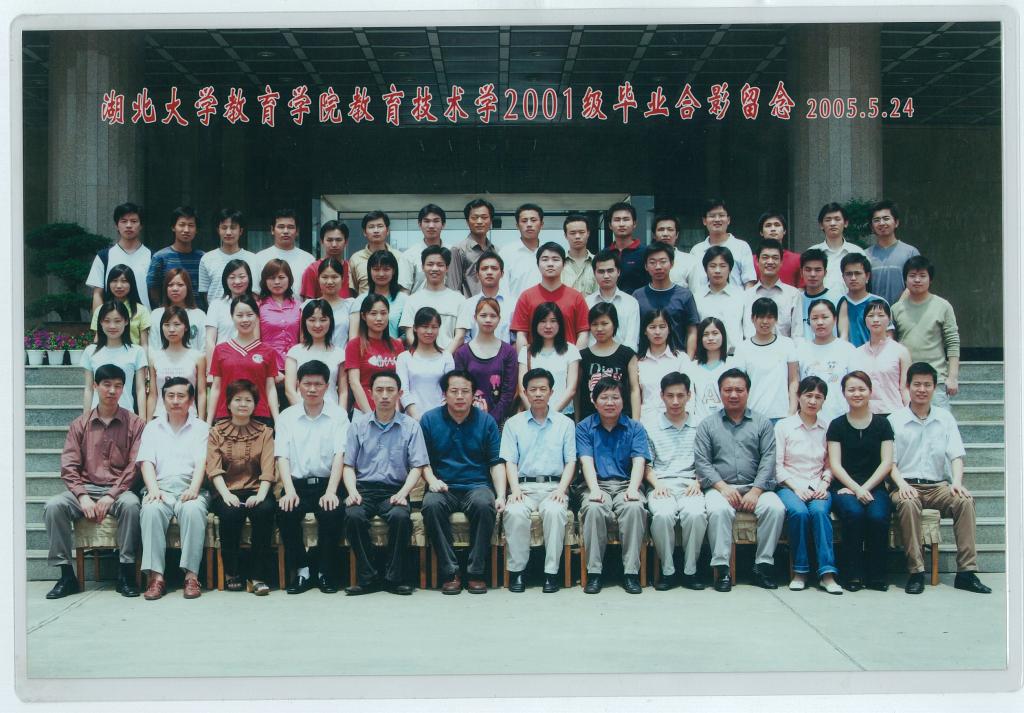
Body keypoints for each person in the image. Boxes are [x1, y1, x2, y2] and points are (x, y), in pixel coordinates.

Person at [888, 362, 991, 595]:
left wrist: (957, 483)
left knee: (964, 501)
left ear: (934, 387)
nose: (921, 389)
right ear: (908, 386)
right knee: (908, 503)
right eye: (917, 384)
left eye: (927, 385)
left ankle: (966, 572)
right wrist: (901, 485)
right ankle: (916, 572)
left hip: (937, 486)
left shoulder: (945, 418)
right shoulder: (894, 420)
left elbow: (956, 455)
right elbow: (889, 463)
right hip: (906, 484)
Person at [43, 364, 145, 599]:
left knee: (132, 505)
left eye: (118, 386)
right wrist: (82, 496)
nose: (112, 390)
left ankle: (126, 573)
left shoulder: (135, 424)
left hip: (120, 490)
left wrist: (111, 495)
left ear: (123, 389)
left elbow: (135, 466)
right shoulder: (80, 424)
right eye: (107, 385)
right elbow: (69, 466)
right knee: (53, 506)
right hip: (86, 488)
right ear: (95, 386)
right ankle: (66, 575)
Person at [695, 368, 783, 591]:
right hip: (720, 487)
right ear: (720, 392)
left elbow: (768, 460)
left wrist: (756, 491)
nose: (733, 395)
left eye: (739, 390)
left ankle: (762, 567)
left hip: (756, 487)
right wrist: (723, 488)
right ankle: (722, 570)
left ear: (748, 392)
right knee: (718, 510)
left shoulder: (763, 423)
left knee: (775, 508)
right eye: (728, 390)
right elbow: (703, 463)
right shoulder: (707, 425)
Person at [342, 371, 430, 595]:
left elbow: (417, 466)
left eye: (390, 390)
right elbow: (348, 465)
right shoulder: (358, 426)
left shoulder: (411, 426)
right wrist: (351, 491)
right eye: (379, 390)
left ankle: (394, 578)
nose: (384, 395)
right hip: (364, 489)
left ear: (399, 393)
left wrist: (403, 493)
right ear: (370, 393)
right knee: (353, 516)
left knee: (400, 517)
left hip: (395, 490)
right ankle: (368, 578)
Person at [420, 369, 506, 594]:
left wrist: (500, 495)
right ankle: (450, 572)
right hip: (443, 486)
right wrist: (432, 481)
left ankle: (476, 572)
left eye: (465, 391)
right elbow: (421, 461)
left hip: (476, 485)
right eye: (454, 391)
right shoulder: (429, 420)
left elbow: (496, 462)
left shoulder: (486, 422)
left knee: (485, 504)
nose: (460, 396)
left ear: (473, 394)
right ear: (444, 394)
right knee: (431, 505)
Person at [275, 360, 350, 594]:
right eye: (307, 384)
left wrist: (331, 491)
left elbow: (340, 455)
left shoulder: (338, 416)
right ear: (298, 384)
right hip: (296, 484)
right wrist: (289, 491)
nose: (312, 389)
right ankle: (303, 571)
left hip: (327, 483)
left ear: (327, 386)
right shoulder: (287, 416)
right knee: (286, 511)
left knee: (332, 511)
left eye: (318, 384)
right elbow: (282, 457)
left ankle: (325, 572)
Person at [501, 368, 577, 593]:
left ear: (551, 392)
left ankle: (551, 573)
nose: (538, 394)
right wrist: (514, 489)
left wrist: (561, 490)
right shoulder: (513, 424)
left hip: (554, 486)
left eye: (543, 389)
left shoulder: (565, 424)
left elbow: (571, 461)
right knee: (514, 512)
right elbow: (510, 461)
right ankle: (517, 572)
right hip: (523, 487)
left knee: (554, 512)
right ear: (525, 392)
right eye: (532, 389)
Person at [137, 377, 211, 600]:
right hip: (160, 487)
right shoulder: (152, 428)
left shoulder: (201, 428)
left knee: (193, 510)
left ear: (191, 400)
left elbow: (202, 462)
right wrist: (153, 489)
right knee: (151, 510)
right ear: (163, 399)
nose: (175, 400)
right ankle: (156, 577)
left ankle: (191, 576)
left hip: (191, 487)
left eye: (181, 396)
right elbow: (146, 462)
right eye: (170, 396)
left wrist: (194, 489)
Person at [575, 377, 651, 594]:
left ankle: (631, 573)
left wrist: (633, 489)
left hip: (626, 483)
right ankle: (594, 573)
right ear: (594, 400)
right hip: (595, 484)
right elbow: (586, 461)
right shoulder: (584, 427)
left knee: (634, 508)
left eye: (615, 397)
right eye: (604, 397)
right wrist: (595, 490)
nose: (610, 402)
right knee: (593, 508)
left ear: (623, 400)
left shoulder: (635, 428)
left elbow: (639, 461)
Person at [204, 379, 277, 595]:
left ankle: (257, 576)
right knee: (230, 513)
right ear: (228, 404)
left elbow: (268, 469)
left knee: (265, 511)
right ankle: (232, 572)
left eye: (248, 400)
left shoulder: (265, 432)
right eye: (238, 400)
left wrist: (261, 495)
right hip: (226, 490)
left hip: (257, 489)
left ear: (255, 404)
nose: (243, 404)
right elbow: (214, 469)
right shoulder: (216, 432)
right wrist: (226, 494)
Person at [827, 371, 895, 592]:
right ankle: (852, 575)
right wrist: (856, 489)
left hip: (875, 486)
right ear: (844, 393)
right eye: (851, 390)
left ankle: (877, 575)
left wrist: (865, 488)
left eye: (861, 389)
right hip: (844, 487)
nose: (857, 394)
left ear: (870, 391)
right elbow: (835, 464)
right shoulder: (836, 425)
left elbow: (886, 462)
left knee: (877, 516)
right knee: (854, 514)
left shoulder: (883, 424)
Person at [775, 376, 842, 594]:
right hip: (789, 485)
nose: (813, 401)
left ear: (824, 401)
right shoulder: (784, 426)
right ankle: (800, 571)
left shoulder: (828, 427)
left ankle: (827, 574)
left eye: (818, 397)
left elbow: (830, 464)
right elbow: (777, 466)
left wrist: (825, 483)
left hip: (818, 485)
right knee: (799, 513)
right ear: (798, 396)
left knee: (820, 512)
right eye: (808, 395)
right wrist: (796, 488)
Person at [643, 372, 708, 591]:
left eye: (681, 395)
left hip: (691, 484)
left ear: (689, 396)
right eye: (670, 396)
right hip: (661, 484)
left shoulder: (701, 425)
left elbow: (707, 461)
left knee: (696, 514)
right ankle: (668, 571)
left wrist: (699, 482)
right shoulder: (650, 426)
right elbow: (646, 465)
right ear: (662, 396)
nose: (675, 401)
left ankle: (690, 571)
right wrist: (657, 485)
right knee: (662, 515)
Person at [891, 255, 960, 410]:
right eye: (912, 276)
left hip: (935, 380)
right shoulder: (896, 309)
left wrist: (952, 377)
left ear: (930, 279)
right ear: (905, 279)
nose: (917, 280)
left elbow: (953, 342)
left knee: (938, 424)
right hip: (906, 381)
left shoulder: (943, 306)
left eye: (922, 276)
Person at [207, 295, 280, 426]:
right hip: (226, 417)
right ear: (232, 317)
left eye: (250, 315)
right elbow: (216, 387)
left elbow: (270, 388)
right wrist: (208, 422)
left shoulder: (268, 351)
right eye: (239, 315)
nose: (245, 319)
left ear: (257, 317)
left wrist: (277, 420)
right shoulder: (220, 350)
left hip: (259, 417)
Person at [511, 241, 590, 351]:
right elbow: (521, 334)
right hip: (535, 358)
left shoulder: (576, 297)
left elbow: (583, 333)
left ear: (564, 264)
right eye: (545, 259)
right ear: (538, 264)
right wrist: (525, 359)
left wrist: (575, 359)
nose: (550, 264)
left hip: (568, 359)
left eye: (555, 259)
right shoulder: (526, 297)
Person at [731, 298, 798, 424]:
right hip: (752, 416)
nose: (765, 321)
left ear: (776, 319)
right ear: (752, 318)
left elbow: (793, 380)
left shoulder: (787, 344)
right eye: (761, 317)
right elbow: (738, 384)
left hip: (782, 416)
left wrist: (792, 410)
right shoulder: (742, 348)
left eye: (770, 317)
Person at [453, 298, 518, 428]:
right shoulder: (462, 353)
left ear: (499, 319)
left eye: (493, 316)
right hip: (467, 421)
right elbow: (459, 389)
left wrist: (489, 421)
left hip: (498, 424)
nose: (488, 320)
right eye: (483, 315)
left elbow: (508, 393)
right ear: (475, 318)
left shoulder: (509, 352)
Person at [795, 299, 859, 423]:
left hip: (841, 418)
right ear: (808, 321)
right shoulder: (801, 350)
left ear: (835, 319)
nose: (820, 322)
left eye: (825, 317)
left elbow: (855, 386)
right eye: (814, 318)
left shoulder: (848, 349)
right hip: (809, 421)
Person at [633, 242, 701, 356]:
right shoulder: (638, 296)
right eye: (652, 262)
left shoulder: (685, 295)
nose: (658, 267)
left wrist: (688, 360)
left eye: (663, 261)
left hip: (677, 359)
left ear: (672, 264)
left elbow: (692, 331)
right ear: (646, 266)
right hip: (646, 359)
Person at [81, 302, 147, 419]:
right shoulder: (90, 351)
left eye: (117, 321)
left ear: (126, 322)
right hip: (97, 419)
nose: (112, 326)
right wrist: (85, 419)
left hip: (126, 417)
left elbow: (140, 389)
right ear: (100, 322)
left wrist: (142, 420)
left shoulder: (137, 351)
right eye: (107, 321)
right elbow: (89, 389)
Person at [577, 302, 640, 421]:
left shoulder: (627, 354)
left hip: (621, 420)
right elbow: (578, 392)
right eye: (594, 324)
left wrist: (636, 422)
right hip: (590, 421)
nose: (599, 329)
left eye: (604, 323)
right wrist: (577, 420)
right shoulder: (582, 356)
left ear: (614, 324)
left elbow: (634, 389)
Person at [399, 245, 466, 354]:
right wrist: (424, 355)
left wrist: (444, 357)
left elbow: (460, 337)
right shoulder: (412, 300)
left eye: (440, 265)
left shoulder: (459, 299)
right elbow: (409, 334)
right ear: (423, 267)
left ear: (447, 268)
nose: (435, 268)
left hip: (449, 359)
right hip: (419, 358)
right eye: (430, 264)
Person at [517, 302, 581, 416]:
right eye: (543, 321)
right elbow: (522, 390)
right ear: (535, 324)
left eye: (553, 321)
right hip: (532, 416)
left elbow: (571, 389)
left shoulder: (571, 350)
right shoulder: (526, 352)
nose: (548, 326)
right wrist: (536, 414)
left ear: (560, 323)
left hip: (562, 415)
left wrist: (551, 414)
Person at [87, 202, 152, 311]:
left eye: (134, 221)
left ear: (141, 225)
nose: (129, 225)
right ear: (117, 225)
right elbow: (98, 293)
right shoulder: (104, 257)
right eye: (124, 221)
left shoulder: (152, 257)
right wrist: (99, 320)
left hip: (145, 319)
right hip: (112, 319)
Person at [346, 293, 405, 413]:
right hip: (364, 412)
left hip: (393, 412)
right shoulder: (354, 345)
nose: (379, 318)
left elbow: (402, 382)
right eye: (373, 313)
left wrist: (396, 413)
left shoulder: (397, 345)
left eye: (383, 313)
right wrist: (370, 415)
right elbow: (354, 383)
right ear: (363, 316)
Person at [284, 299, 347, 407]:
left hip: (332, 411)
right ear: (304, 322)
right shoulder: (295, 352)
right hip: (301, 411)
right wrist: (305, 412)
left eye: (323, 320)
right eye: (312, 320)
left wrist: (341, 414)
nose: (317, 325)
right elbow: (290, 391)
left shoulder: (340, 354)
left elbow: (343, 392)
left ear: (330, 321)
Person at [395, 306, 455, 420]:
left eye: (434, 327)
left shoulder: (446, 357)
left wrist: (437, 418)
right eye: (425, 326)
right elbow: (403, 391)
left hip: (441, 418)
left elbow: (450, 389)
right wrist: (416, 417)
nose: (429, 331)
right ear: (415, 328)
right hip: (412, 419)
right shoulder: (404, 358)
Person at [148, 306, 206, 421]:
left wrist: (202, 422)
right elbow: (153, 394)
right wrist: (148, 423)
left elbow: (201, 393)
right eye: (166, 325)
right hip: (160, 417)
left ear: (186, 327)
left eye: (177, 324)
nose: (171, 329)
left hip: (190, 417)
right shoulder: (154, 357)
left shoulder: (197, 357)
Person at [501, 203, 565, 305]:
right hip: (516, 310)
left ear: (541, 224)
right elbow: (502, 287)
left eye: (533, 220)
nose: (529, 224)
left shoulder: (549, 253)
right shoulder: (506, 253)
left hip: (548, 311)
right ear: (517, 225)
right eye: (524, 221)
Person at [857, 299, 911, 415]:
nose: (876, 320)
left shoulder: (900, 351)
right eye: (871, 316)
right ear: (865, 320)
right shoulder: (857, 353)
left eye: (881, 315)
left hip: (893, 412)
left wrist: (910, 414)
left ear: (889, 320)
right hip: (865, 414)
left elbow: (905, 388)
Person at [689, 198, 757, 289]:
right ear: (704, 221)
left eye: (721, 215)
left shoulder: (742, 247)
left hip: (736, 298)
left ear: (728, 220)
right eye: (712, 216)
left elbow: (749, 282)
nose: (717, 219)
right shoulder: (696, 250)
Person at [204, 259, 258, 373]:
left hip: (249, 365)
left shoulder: (257, 303)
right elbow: (210, 340)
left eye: (242, 277)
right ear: (225, 280)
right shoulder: (216, 305)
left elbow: (257, 339)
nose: (237, 281)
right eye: (232, 277)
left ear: (249, 278)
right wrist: (211, 370)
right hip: (222, 364)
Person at [198, 208, 259, 306]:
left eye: (233, 228)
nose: (228, 232)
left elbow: (255, 292)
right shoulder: (207, 259)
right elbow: (204, 292)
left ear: (241, 231)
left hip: (244, 312)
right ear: (218, 230)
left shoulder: (253, 259)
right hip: (216, 313)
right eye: (224, 228)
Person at [146, 206, 204, 308]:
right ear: (173, 227)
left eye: (191, 225)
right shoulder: (160, 257)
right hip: (169, 314)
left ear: (196, 230)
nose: (186, 230)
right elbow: (153, 288)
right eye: (182, 225)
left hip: (197, 314)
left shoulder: (203, 258)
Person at [637, 308, 690, 418]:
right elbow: (636, 396)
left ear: (669, 329)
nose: (657, 332)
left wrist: (688, 420)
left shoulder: (681, 359)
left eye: (662, 327)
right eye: (652, 327)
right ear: (645, 331)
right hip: (647, 419)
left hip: (676, 420)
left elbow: (690, 394)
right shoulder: (638, 362)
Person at [743, 239, 802, 339]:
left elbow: (797, 333)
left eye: (775, 258)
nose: (770, 262)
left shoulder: (793, 294)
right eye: (765, 257)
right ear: (757, 261)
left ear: (781, 262)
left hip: (783, 348)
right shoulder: (746, 296)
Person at [586, 249, 642, 353]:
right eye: (601, 272)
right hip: (592, 359)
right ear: (594, 273)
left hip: (623, 360)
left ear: (618, 272)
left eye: (610, 271)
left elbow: (632, 341)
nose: (606, 276)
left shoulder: (631, 303)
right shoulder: (587, 303)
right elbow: (586, 339)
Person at [866, 199, 920, 306]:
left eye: (886, 218)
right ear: (872, 227)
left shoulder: (910, 252)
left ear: (896, 223)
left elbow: (917, 282)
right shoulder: (865, 255)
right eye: (876, 220)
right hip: (875, 313)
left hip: (905, 311)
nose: (881, 223)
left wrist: (898, 308)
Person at [691, 245, 745, 352]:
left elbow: (748, 331)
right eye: (712, 266)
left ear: (730, 269)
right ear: (705, 269)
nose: (717, 270)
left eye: (723, 266)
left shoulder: (741, 296)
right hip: (705, 357)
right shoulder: (696, 297)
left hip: (735, 356)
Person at [347, 250, 408, 341]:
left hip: (394, 348)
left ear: (394, 271)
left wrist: (398, 342)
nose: (381, 274)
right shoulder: (360, 300)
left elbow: (410, 332)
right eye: (376, 269)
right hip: (366, 349)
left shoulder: (404, 300)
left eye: (386, 269)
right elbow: (353, 336)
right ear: (369, 271)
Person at [348, 210, 412, 295]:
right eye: (371, 227)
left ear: (387, 230)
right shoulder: (355, 258)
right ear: (364, 232)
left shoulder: (399, 257)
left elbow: (403, 288)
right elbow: (354, 290)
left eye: (380, 226)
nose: (376, 230)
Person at [257, 259, 302, 381]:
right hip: (267, 368)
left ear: (289, 279)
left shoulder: (299, 306)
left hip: (295, 366)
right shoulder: (258, 307)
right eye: (272, 278)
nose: (277, 282)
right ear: (265, 281)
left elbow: (303, 340)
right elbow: (255, 342)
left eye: (281, 277)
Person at [455, 251, 512, 344]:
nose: (489, 272)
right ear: (477, 274)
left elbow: (515, 340)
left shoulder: (513, 304)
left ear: (502, 274)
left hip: (505, 353)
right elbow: (464, 340)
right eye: (484, 269)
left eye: (494, 268)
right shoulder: (467, 305)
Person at [89, 264, 152, 349]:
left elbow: (144, 344)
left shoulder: (141, 310)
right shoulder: (100, 310)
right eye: (114, 281)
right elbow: (98, 338)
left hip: (133, 356)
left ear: (131, 284)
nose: (119, 286)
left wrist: (144, 357)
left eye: (124, 281)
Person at [683, 317, 732, 425]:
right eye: (705, 334)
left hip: (728, 425)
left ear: (723, 336)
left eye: (715, 333)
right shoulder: (692, 367)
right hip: (700, 425)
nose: (710, 338)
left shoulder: (732, 364)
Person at [403, 204, 460, 294]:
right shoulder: (409, 255)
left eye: (436, 221)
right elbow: (404, 291)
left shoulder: (453, 252)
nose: (431, 226)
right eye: (426, 221)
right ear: (420, 224)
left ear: (443, 224)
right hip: (419, 302)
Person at [809, 202, 865, 292]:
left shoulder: (857, 252)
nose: (832, 223)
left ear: (845, 223)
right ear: (821, 225)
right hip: (819, 300)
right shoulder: (812, 252)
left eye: (837, 219)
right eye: (828, 220)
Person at [148, 268, 206, 354]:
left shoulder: (199, 315)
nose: (175, 289)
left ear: (188, 288)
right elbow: (152, 347)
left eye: (180, 285)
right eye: (170, 285)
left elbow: (204, 348)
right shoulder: (156, 314)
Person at [253, 208, 315, 289]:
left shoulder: (309, 259)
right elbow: (256, 291)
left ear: (297, 231)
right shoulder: (259, 258)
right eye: (281, 227)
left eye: (290, 227)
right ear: (272, 230)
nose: (286, 231)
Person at [836, 253, 885, 347]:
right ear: (843, 277)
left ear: (867, 276)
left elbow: (888, 336)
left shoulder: (880, 303)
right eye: (849, 274)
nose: (853, 278)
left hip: (875, 354)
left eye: (858, 273)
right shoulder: (839, 303)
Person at [451, 198, 498, 296]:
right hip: (468, 304)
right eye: (475, 217)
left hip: (493, 304)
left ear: (491, 221)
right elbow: (453, 287)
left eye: (484, 217)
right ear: (467, 221)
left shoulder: (496, 251)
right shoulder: (458, 250)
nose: (479, 221)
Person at [299, 220, 351, 301]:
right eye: (329, 240)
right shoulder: (312, 269)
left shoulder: (351, 268)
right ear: (322, 241)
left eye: (338, 240)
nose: (334, 244)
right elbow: (308, 304)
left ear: (346, 242)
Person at [310, 257, 355, 350]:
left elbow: (353, 340)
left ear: (342, 279)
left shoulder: (351, 305)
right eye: (325, 277)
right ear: (318, 279)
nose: (330, 282)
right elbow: (304, 341)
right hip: (315, 357)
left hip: (343, 357)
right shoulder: (309, 305)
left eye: (334, 277)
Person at [798, 248, 843, 340]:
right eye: (808, 270)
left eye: (818, 270)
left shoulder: (838, 299)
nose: (813, 274)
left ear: (825, 273)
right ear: (801, 272)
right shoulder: (796, 300)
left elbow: (843, 334)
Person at [605, 202, 647, 294]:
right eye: (617, 220)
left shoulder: (646, 253)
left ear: (634, 224)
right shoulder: (604, 254)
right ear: (610, 225)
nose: (621, 224)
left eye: (626, 219)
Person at [651, 213, 702, 290]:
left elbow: (696, 291)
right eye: (661, 229)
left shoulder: (690, 261)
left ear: (677, 234)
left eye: (670, 230)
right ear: (654, 235)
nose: (665, 234)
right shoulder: (648, 260)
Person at [754, 210, 801, 287]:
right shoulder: (752, 260)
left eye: (777, 225)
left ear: (784, 231)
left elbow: (802, 289)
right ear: (761, 232)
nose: (773, 229)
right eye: (768, 225)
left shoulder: (797, 259)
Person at [560, 213, 597, 295]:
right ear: (565, 235)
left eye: (581, 232)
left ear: (588, 233)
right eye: (572, 233)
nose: (577, 236)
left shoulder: (598, 262)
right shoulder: (558, 264)